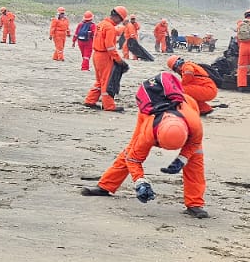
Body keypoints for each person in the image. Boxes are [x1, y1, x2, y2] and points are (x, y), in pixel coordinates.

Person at [81, 72, 207, 218]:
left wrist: (182, 159)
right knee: (132, 149)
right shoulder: (148, 130)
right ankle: (105, 186)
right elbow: (134, 159)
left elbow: (194, 143)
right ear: (157, 138)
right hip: (150, 115)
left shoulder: (194, 124)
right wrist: (140, 182)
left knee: (195, 157)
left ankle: (195, 204)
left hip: (187, 107)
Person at [84, 9, 127, 111]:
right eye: (120, 20)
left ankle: (90, 100)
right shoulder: (109, 28)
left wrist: (123, 27)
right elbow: (110, 47)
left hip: (96, 55)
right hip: (104, 57)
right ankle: (109, 106)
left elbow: (113, 32)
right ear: (117, 17)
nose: (119, 22)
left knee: (99, 81)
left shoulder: (102, 24)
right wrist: (119, 60)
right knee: (106, 82)